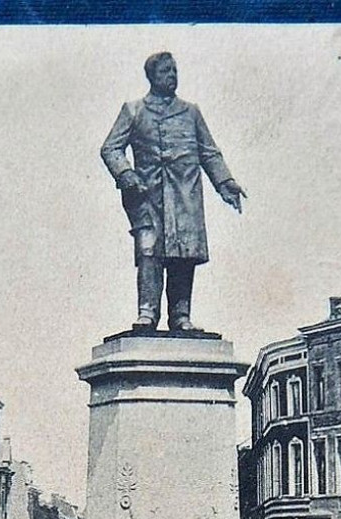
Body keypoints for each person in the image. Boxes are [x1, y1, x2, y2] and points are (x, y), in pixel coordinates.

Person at [101, 51, 246, 331]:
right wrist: (126, 174)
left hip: (184, 194)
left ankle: (181, 314)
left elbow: (209, 152)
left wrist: (225, 183)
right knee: (149, 250)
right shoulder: (133, 110)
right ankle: (147, 311)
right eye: (166, 71)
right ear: (152, 76)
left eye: (175, 71)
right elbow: (110, 148)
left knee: (184, 253)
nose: (172, 76)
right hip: (146, 195)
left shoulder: (190, 112)